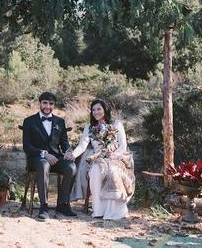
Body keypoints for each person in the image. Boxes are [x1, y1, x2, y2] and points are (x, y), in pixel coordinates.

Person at [66, 99, 135, 220]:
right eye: (93, 110)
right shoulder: (89, 127)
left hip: (116, 156)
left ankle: (115, 210)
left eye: (99, 109)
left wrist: (114, 155)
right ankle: (98, 210)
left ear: (105, 110)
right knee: (95, 171)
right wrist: (73, 155)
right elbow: (82, 145)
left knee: (112, 171)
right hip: (97, 157)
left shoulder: (116, 124)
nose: (96, 112)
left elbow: (123, 145)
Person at [22, 92, 77, 221]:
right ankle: (44, 207)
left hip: (56, 159)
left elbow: (64, 143)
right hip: (36, 159)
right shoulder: (29, 121)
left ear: (54, 105)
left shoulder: (60, 121)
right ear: (40, 103)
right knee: (43, 163)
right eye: (45, 103)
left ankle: (62, 205)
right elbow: (27, 146)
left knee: (72, 167)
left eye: (51, 104)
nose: (48, 106)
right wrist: (44, 154)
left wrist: (68, 151)